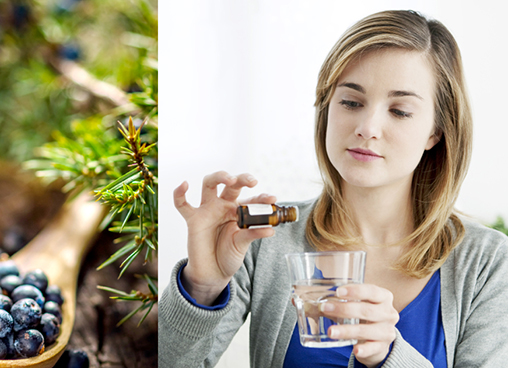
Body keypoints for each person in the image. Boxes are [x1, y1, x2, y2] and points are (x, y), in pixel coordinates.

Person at [158, 10, 508, 368]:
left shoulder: (488, 264)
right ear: (327, 109)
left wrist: (392, 355)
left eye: (400, 111)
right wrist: (201, 287)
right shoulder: (263, 240)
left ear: (435, 132)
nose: (368, 126)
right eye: (351, 102)